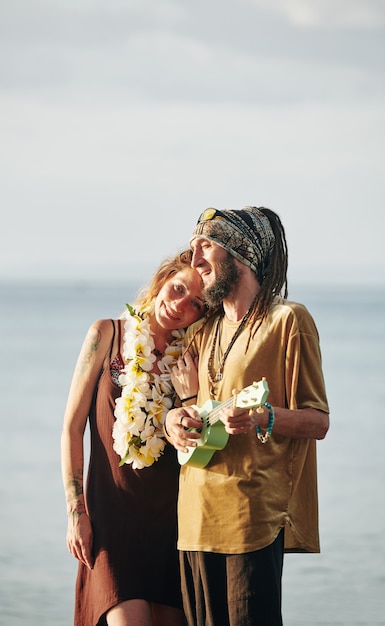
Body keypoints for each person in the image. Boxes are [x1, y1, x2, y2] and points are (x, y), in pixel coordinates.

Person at [164, 207, 330, 626]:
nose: (194, 256)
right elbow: (193, 409)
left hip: (250, 521)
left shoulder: (287, 320)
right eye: (192, 246)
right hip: (193, 521)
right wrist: (172, 423)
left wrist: (263, 418)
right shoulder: (204, 330)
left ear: (240, 254)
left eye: (206, 246)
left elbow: (318, 421)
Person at [61, 249, 208, 626]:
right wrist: (76, 512)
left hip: (171, 524)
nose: (180, 306)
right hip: (112, 520)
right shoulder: (106, 334)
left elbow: (204, 440)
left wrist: (191, 396)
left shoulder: (192, 357)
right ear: (162, 281)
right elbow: (72, 428)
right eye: (177, 289)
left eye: (195, 304)